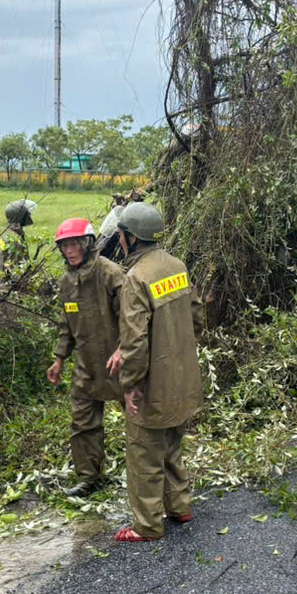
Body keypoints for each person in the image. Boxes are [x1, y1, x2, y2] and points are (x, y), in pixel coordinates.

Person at [112, 203, 204, 542]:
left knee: (144, 454)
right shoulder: (176, 266)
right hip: (184, 379)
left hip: (156, 383)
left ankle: (147, 525)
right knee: (172, 445)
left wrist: (130, 385)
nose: (120, 240)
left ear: (131, 238)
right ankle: (180, 506)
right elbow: (196, 317)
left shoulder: (136, 278)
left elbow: (134, 342)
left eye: (121, 235)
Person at [46, 217, 126, 497]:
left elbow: (134, 316)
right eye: (65, 245)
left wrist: (124, 348)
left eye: (74, 243)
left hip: (120, 361)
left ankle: (155, 474)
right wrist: (59, 359)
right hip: (87, 365)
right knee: (82, 423)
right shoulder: (66, 283)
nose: (69, 250)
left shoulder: (110, 273)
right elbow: (66, 326)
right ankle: (89, 477)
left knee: (141, 421)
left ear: (88, 243)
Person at [0, 199, 38, 279]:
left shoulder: (14, 234)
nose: (29, 215)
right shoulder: (14, 239)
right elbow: (15, 270)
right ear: (20, 217)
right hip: (12, 287)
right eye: (27, 213)